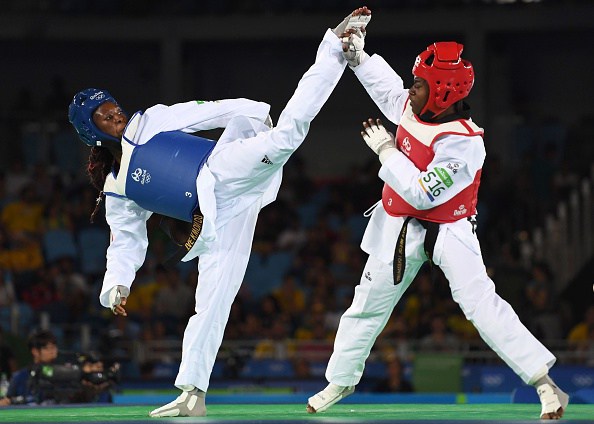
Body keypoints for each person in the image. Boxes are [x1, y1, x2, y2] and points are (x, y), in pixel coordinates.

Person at [66, 7, 371, 418]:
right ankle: (193, 392)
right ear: (91, 131)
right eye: (103, 115)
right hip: (213, 221)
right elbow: (126, 242)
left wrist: (250, 113)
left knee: (286, 137)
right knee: (212, 301)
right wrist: (117, 285)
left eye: (113, 106)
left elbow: (206, 112)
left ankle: (335, 46)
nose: (114, 113)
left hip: (222, 171)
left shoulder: (149, 121)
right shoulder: (116, 191)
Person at [306, 23, 569, 420]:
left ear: (444, 92)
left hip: (450, 230)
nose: (412, 90)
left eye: (421, 84)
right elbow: (387, 89)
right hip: (398, 227)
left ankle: (545, 384)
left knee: (481, 303)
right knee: (366, 307)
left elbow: (422, 192)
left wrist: (385, 150)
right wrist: (358, 55)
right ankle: (340, 381)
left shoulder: (465, 142)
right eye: (415, 81)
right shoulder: (411, 106)